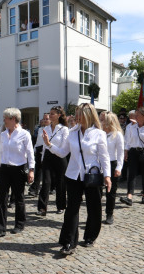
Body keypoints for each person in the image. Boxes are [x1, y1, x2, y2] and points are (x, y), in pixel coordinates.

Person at [43, 103, 111, 255]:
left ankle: (90, 236)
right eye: (76, 114)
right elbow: (62, 153)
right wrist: (49, 145)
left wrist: (107, 176)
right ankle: (68, 242)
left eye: (79, 114)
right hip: (73, 175)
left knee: (93, 208)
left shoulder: (98, 134)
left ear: (88, 115)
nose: (76, 117)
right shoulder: (72, 132)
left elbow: (104, 156)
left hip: (91, 175)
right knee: (72, 209)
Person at [0, 108, 34, 238]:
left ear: (13, 119)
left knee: (19, 197)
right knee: (2, 198)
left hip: (18, 169)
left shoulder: (24, 134)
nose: (3, 120)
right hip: (4, 169)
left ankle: (19, 224)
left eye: (5, 118)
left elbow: (30, 153)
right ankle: (0, 227)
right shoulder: (3, 133)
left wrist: (31, 170)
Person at [120, 107, 144, 205]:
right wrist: (125, 153)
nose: (135, 117)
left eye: (137, 115)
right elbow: (127, 141)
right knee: (132, 174)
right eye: (135, 115)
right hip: (133, 151)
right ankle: (129, 196)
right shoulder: (131, 126)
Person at [37, 106, 68, 217]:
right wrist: (42, 159)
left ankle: (61, 206)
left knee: (60, 183)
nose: (50, 115)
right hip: (48, 157)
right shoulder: (47, 128)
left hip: (60, 157)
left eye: (52, 113)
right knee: (46, 182)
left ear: (59, 115)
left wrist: (50, 145)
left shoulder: (64, 129)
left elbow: (64, 148)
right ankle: (42, 207)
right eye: (50, 113)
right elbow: (45, 147)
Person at [102, 113, 124, 225]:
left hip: (112, 163)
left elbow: (120, 153)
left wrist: (119, 168)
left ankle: (109, 213)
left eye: (104, 121)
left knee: (110, 192)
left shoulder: (117, 135)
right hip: (100, 164)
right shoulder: (100, 134)